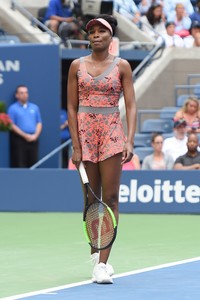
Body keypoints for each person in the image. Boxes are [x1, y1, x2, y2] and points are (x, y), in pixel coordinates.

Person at [67, 14, 136, 284]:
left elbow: (130, 105)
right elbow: (71, 107)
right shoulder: (76, 66)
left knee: (111, 199)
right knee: (90, 201)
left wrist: (129, 140)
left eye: (101, 31)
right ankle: (96, 255)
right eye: (92, 31)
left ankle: (103, 264)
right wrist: (75, 144)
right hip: (84, 135)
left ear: (111, 37)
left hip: (111, 134)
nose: (96, 34)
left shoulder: (123, 66)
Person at [8, 85, 42, 168]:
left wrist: (35, 136)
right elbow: (11, 125)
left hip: (33, 139)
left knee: (34, 164)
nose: (25, 95)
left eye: (26, 92)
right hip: (19, 140)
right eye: (22, 93)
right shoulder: (12, 108)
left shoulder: (34, 107)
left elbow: (39, 123)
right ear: (17, 95)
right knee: (20, 164)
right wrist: (25, 135)